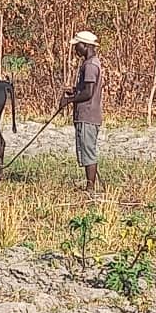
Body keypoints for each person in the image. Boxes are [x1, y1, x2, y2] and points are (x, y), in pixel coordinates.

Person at [59, 31, 103, 193]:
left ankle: (90, 188)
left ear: (86, 46)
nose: (75, 49)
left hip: (88, 115)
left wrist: (69, 100)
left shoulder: (90, 65)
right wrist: (74, 90)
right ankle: (90, 185)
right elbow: (85, 89)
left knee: (88, 151)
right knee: (86, 149)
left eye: (77, 46)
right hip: (87, 114)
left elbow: (88, 93)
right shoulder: (91, 63)